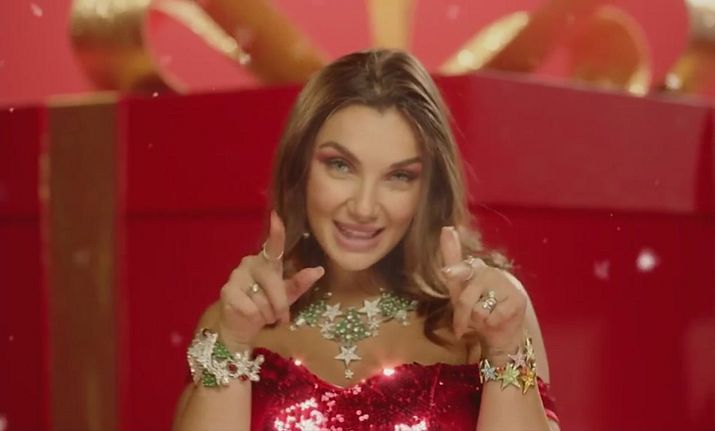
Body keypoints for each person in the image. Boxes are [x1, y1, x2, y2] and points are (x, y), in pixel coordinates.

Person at [173, 49, 560, 431]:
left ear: (429, 189)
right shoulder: (236, 317)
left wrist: (505, 349)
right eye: (340, 166)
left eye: (399, 176)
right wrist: (232, 340)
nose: (364, 207)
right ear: (299, 167)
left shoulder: (491, 311)